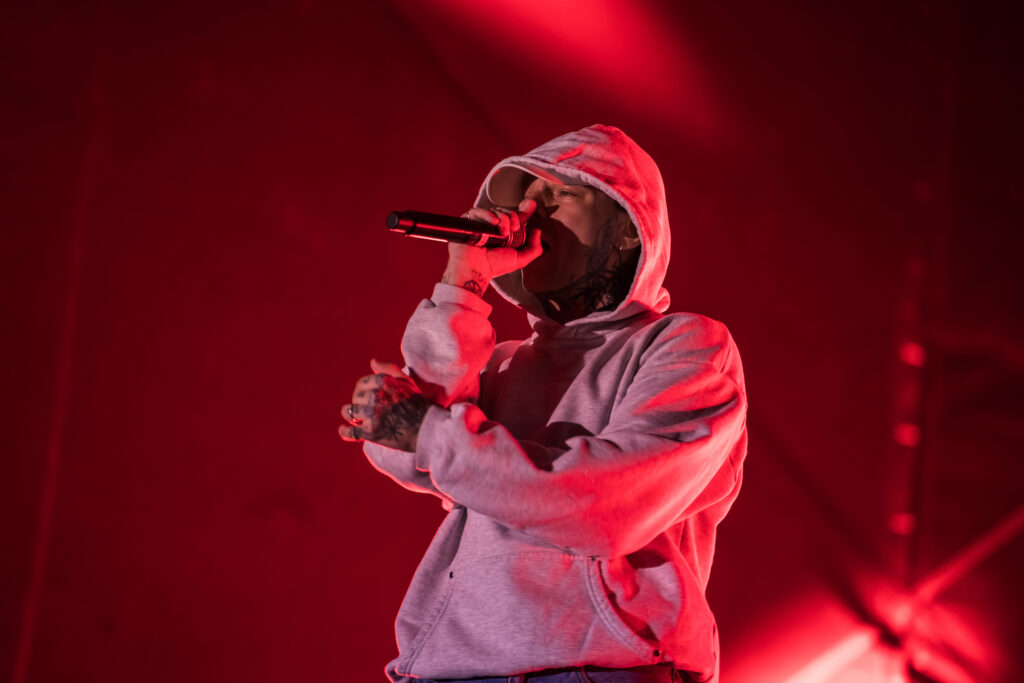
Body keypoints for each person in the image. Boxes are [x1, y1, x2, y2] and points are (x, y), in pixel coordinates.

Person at [339, 124, 747, 683]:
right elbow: (408, 454)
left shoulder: (686, 345)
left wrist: (424, 430)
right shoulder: (503, 362)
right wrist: (462, 281)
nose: (529, 210)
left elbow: (607, 505)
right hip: (452, 670)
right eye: (525, 192)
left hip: (600, 669)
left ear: (628, 232)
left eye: (562, 194)